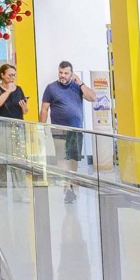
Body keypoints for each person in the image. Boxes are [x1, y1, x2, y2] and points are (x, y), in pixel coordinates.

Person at [40, 61, 87, 193]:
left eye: (66, 73)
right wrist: (41, 127)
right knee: (62, 157)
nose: (63, 75)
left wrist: (81, 83)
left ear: (72, 74)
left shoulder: (78, 87)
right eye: (61, 72)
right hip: (59, 129)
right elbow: (44, 109)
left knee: (74, 158)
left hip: (76, 129)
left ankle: (71, 181)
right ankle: (66, 186)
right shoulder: (51, 88)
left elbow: (92, 97)